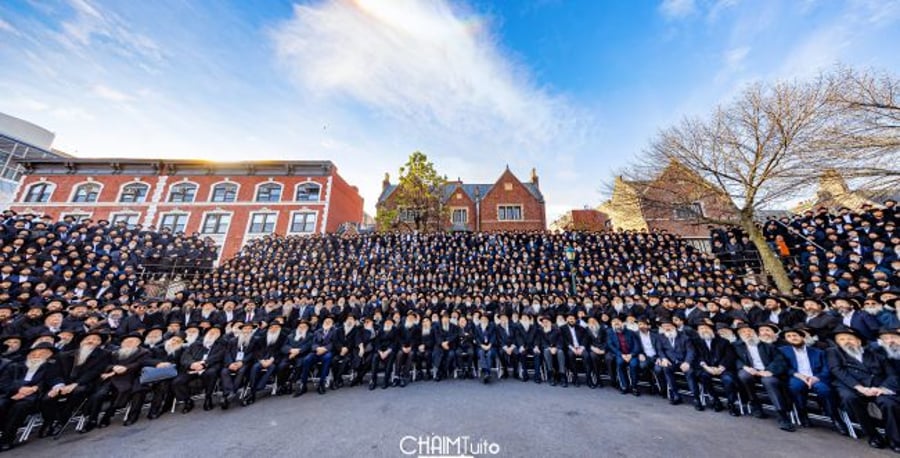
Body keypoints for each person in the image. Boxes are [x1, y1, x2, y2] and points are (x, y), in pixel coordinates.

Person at [827, 326, 900, 451]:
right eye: (841, 339)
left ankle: (895, 439)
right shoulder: (834, 352)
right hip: (850, 386)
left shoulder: (875, 354)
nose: (846, 341)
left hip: (877, 387)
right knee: (850, 399)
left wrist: (882, 388)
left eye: (850, 338)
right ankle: (872, 435)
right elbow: (838, 371)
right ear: (837, 342)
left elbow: (892, 374)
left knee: (889, 403)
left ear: (858, 341)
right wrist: (859, 387)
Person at [40, 330, 110, 436]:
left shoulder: (104, 354)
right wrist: (59, 385)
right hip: (63, 384)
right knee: (47, 398)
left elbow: (94, 372)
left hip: (87, 383)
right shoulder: (64, 355)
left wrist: (76, 384)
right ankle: (48, 423)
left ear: (100, 343)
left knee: (78, 391)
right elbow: (55, 373)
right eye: (88, 339)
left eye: (96, 339)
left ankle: (62, 420)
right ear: (81, 342)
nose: (91, 341)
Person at [778, 327, 844, 432]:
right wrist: (797, 375)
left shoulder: (818, 352)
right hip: (797, 377)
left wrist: (817, 377)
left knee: (824, 389)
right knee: (796, 386)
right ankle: (802, 414)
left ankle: (835, 418)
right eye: (789, 336)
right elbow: (783, 366)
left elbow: (826, 368)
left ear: (802, 337)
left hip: (817, 377)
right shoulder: (782, 351)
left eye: (795, 335)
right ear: (786, 340)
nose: (792, 338)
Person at [732, 324, 795, 432]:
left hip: (766, 373)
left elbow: (779, 360)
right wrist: (745, 367)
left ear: (755, 333)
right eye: (743, 332)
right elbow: (734, 359)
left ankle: (782, 414)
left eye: (749, 331)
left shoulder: (768, 346)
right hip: (750, 371)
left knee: (770, 382)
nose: (747, 334)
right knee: (743, 375)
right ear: (740, 336)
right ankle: (755, 403)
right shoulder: (736, 346)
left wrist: (769, 371)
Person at [0, 343, 60, 452]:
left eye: (40, 354)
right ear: (27, 356)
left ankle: (6, 440)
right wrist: (19, 390)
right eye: (33, 354)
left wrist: (57, 387)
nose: (36, 356)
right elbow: (4, 383)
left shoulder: (49, 367)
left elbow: (54, 380)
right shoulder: (15, 366)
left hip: (33, 398)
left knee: (19, 407)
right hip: (11, 394)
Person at [84, 332, 149, 429]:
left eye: (132, 341)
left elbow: (139, 364)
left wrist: (125, 368)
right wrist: (114, 368)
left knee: (125, 393)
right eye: (126, 341)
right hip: (111, 379)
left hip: (131, 378)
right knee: (98, 396)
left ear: (138, 343)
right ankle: (92, 420)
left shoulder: (144, 352)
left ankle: (108, 416)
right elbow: (107, 365)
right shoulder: (114, 352)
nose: (128, 343)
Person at [173, 326, 226, 412]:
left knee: (212, 373)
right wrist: (192, 364)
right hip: (193, 368)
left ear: (219, 335)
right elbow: (185, 356)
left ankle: (208, 398)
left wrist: (204, 364)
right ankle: (187, 401)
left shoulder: (221, 345)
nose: (213, 333)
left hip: (208, 367)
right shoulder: (196, 344)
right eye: (211, 331)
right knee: (177, 382)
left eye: (216, 332)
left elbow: (219, 356)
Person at [692, 320, 735, 414]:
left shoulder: (723, 341)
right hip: (706, 368)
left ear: (711, 329)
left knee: (728, 379)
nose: (704, 330)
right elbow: (697, 357)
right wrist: (707, 367)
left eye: (706, 328)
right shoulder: (696, 342)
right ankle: (715, 400)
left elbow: (729, 356)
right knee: (703, 376)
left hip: (723, 368)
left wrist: (721, 368)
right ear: (698, 331)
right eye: (701, 329)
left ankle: (731, 403)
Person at [655, 320, 698, 407]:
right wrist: (663, 358)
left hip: (684, 362)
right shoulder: (661, 337)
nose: (666, 328)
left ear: (674, 327)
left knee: (690, 373)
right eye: (664, 327)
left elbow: (691, 351)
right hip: (671, 362)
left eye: (668, 326)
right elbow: (660, 350)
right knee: (666, 369)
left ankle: (696, 398)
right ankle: (676, 395)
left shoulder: (685, 337)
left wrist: (687, 362)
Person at [219, 322, 257, 409]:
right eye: (245, 329)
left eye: (249, 329)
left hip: (246, 363)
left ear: (252, 330)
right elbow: (227, 353)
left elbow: (254, 353)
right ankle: (231, 393)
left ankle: (228, 394)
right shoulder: (233, 341)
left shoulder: (255, 340)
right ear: (241, 330)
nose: (247, 330)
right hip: (233, 362)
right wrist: (230, 363)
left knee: (241, 371)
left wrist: (242, 362)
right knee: (224, 371)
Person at [301, 315, 337, 395]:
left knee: (327, 358)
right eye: (326, 321)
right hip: (316, 352)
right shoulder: (317, 331)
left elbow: (334, 343)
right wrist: (317, 348)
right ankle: (303, 384)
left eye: (329, 321)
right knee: (307, 359)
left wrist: (324, 349)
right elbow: (313, 343)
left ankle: (321, 384)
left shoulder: (335, 331)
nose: (327, 322)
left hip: (327, 352)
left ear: (332, 323)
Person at [606, 317, 640, 395]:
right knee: (620, 363)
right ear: (612, 325)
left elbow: (637, 345)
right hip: (620, 354)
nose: (616, 324)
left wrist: (631, 355)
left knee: (634, 365)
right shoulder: (610, 333)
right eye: (614, 322)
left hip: (632, 354)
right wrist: (621, 355)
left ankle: (634, 387)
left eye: (618, 322)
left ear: (622, 323)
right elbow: (611, 346)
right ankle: (624, 386)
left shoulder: (631, 332)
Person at [283, 320, 314, 396]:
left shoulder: (310, 335)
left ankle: (295, 382)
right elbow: (284, 346)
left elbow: (308, 346)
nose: (302, 328)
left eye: (304, 327)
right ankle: (283, 384)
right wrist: (290, 350)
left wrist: (298, 351)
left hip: (303, 355)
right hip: (290, 355)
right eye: (300, 327)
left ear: (307, 328)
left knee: (300, 364)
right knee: (282, 365)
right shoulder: (291, 335)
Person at [370, 316, 398, 390]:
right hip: (381, 350)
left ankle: (386, 380)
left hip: (390, 351)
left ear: (392, 323)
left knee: (390, 358)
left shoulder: (395, 330)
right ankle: (373, 380)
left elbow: (395, 343)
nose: (388, 323)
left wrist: (387, 352)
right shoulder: (381, 330)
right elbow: (377, 342)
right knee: (375, 357)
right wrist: (380, 352)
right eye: (386, 322)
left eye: (390, 322)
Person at [561, 313, 587, 387]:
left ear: (575, 320)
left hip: (580, 348)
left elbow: (585, 339)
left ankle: (589, 378)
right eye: (569, 318)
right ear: (567, 320)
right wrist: (573, 348)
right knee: (570, 355)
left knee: (587, 356)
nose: (571, 320)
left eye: (573, 318)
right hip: (570, 348)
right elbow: (564, 340)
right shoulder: (562, 328)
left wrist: (581, 348)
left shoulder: (581, 328)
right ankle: (575, 378)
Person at [538, 316, 565, 387]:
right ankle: (551, 375)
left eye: (546, 322)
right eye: (543, 322)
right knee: (546, 351)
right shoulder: (540, 331)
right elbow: (542, 342)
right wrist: (550, 348)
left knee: (560, 352)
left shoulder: (557, 330)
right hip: (547, 348)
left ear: (550, 322)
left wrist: (556, 347)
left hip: (557, 348)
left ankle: (562, 375)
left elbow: (560, 341)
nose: (545, 323)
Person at [474, 313, 496, 384]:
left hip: (490, 346)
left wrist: (489, 345)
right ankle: (487, 372)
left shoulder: (492, 326)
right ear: (480, 320)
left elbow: (493, 336)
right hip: (481, 346)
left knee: (489, 353)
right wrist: (481, 345)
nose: (484, 320)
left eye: (485, 319)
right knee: (481, 352)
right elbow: (476, 338)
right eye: (482, 319)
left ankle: (486, 373)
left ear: (488, 320)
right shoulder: (477, 327)